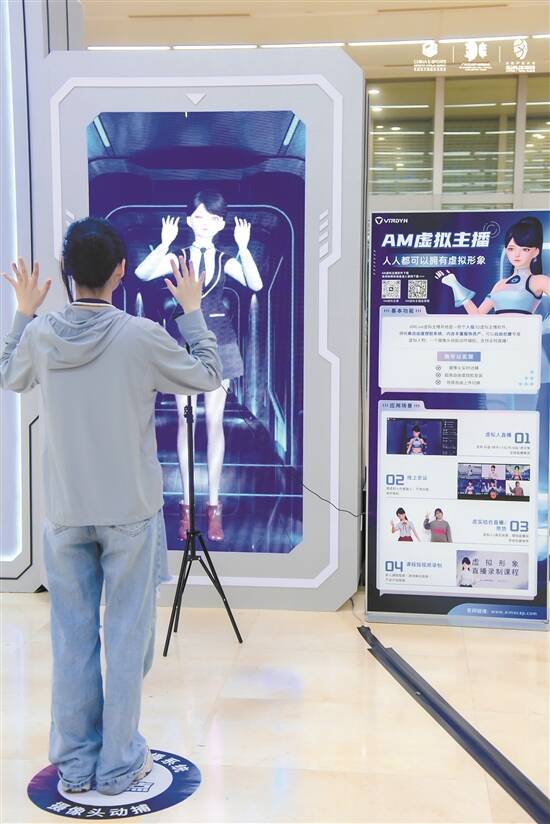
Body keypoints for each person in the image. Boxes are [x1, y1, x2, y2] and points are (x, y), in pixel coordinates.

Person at [0, 218, 222, 795]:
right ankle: (119, 763)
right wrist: (192, 311)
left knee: (72, 638)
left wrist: (22, 313)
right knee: (125, 638)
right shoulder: (141, 336)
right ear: (122, 271)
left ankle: (75, 765)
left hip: (66, 511)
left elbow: (8, 376)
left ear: (65, 271)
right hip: (130, 511)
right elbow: (207, 375)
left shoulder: (41, 335)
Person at [135, 190, 263, 542]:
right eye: (200, 217)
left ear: (221, 224)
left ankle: (214, 506)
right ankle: (187, 507)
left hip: (221, 343)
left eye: (213, 219)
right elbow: (143, 273)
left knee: (214, 423)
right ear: (189, 220)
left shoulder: (225, 259)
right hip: (182, 343)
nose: (206, 224)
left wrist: (244, 248)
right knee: (185, 422)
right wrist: (164, 243)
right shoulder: (176, 256)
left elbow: (255, 283)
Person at [436, 216, 550, 315]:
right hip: (498, 333)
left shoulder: (540, 281)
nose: (517, 254)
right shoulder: (500, 284)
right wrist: (454, 284)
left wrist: (541, 327)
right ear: (506, 250)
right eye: (511, 249)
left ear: (536, 252)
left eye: (525, 249)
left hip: (524, 333)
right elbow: (477, 316)